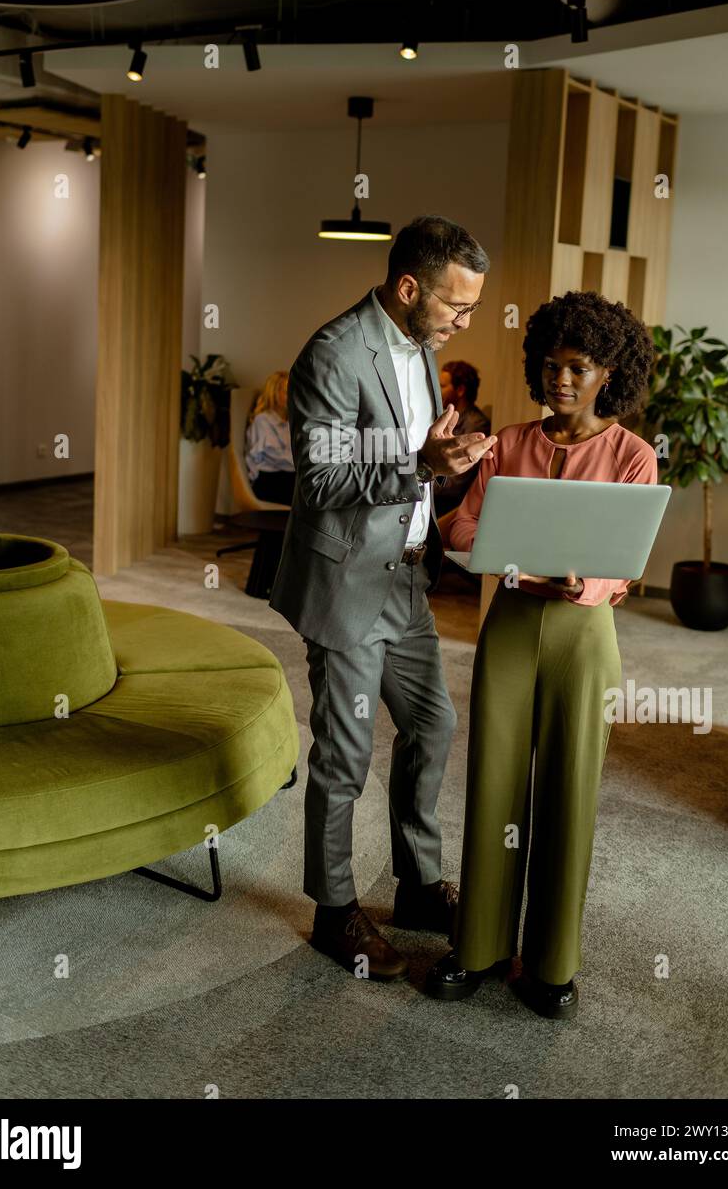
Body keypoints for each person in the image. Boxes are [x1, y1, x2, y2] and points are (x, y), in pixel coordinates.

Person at [269, 216, 498, 981]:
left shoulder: (423, 351)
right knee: (345, 754)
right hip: (345, 581)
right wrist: (418, 464)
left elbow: (413, 462)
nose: (464, 322)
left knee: (433, 725)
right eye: (456, 308)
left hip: (405, 578)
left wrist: (446, 469)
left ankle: (419, 886)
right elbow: (326, 483)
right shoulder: (332, 354)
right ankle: (334, 912)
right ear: (409, 288)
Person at [426, 290, 657, 1019]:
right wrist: (505, 556)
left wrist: (585, 582)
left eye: (578, 367)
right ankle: (480, 949)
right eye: (551, 364)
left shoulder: (632, 456)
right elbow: (460, 528)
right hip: (511, 628)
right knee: (494, 785)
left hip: (584, 641)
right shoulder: (510, 442)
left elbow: (627, 566)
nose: (561, 379)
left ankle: (552, 968)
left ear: (608, 373)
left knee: (569, 795)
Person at [434, 361, 491, 516]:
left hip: (450, 509)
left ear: (460, 390)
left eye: (442, 386)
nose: (437, 390)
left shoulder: (477, 424)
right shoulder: (444, 416)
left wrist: (421, 479)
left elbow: (456, 483)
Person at [245, 371, 295, 505]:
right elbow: (274, 456)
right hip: (268, 480)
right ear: (274, 393)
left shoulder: (289, 421)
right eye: (286, 391)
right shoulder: (263, 420)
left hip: (286, 476)